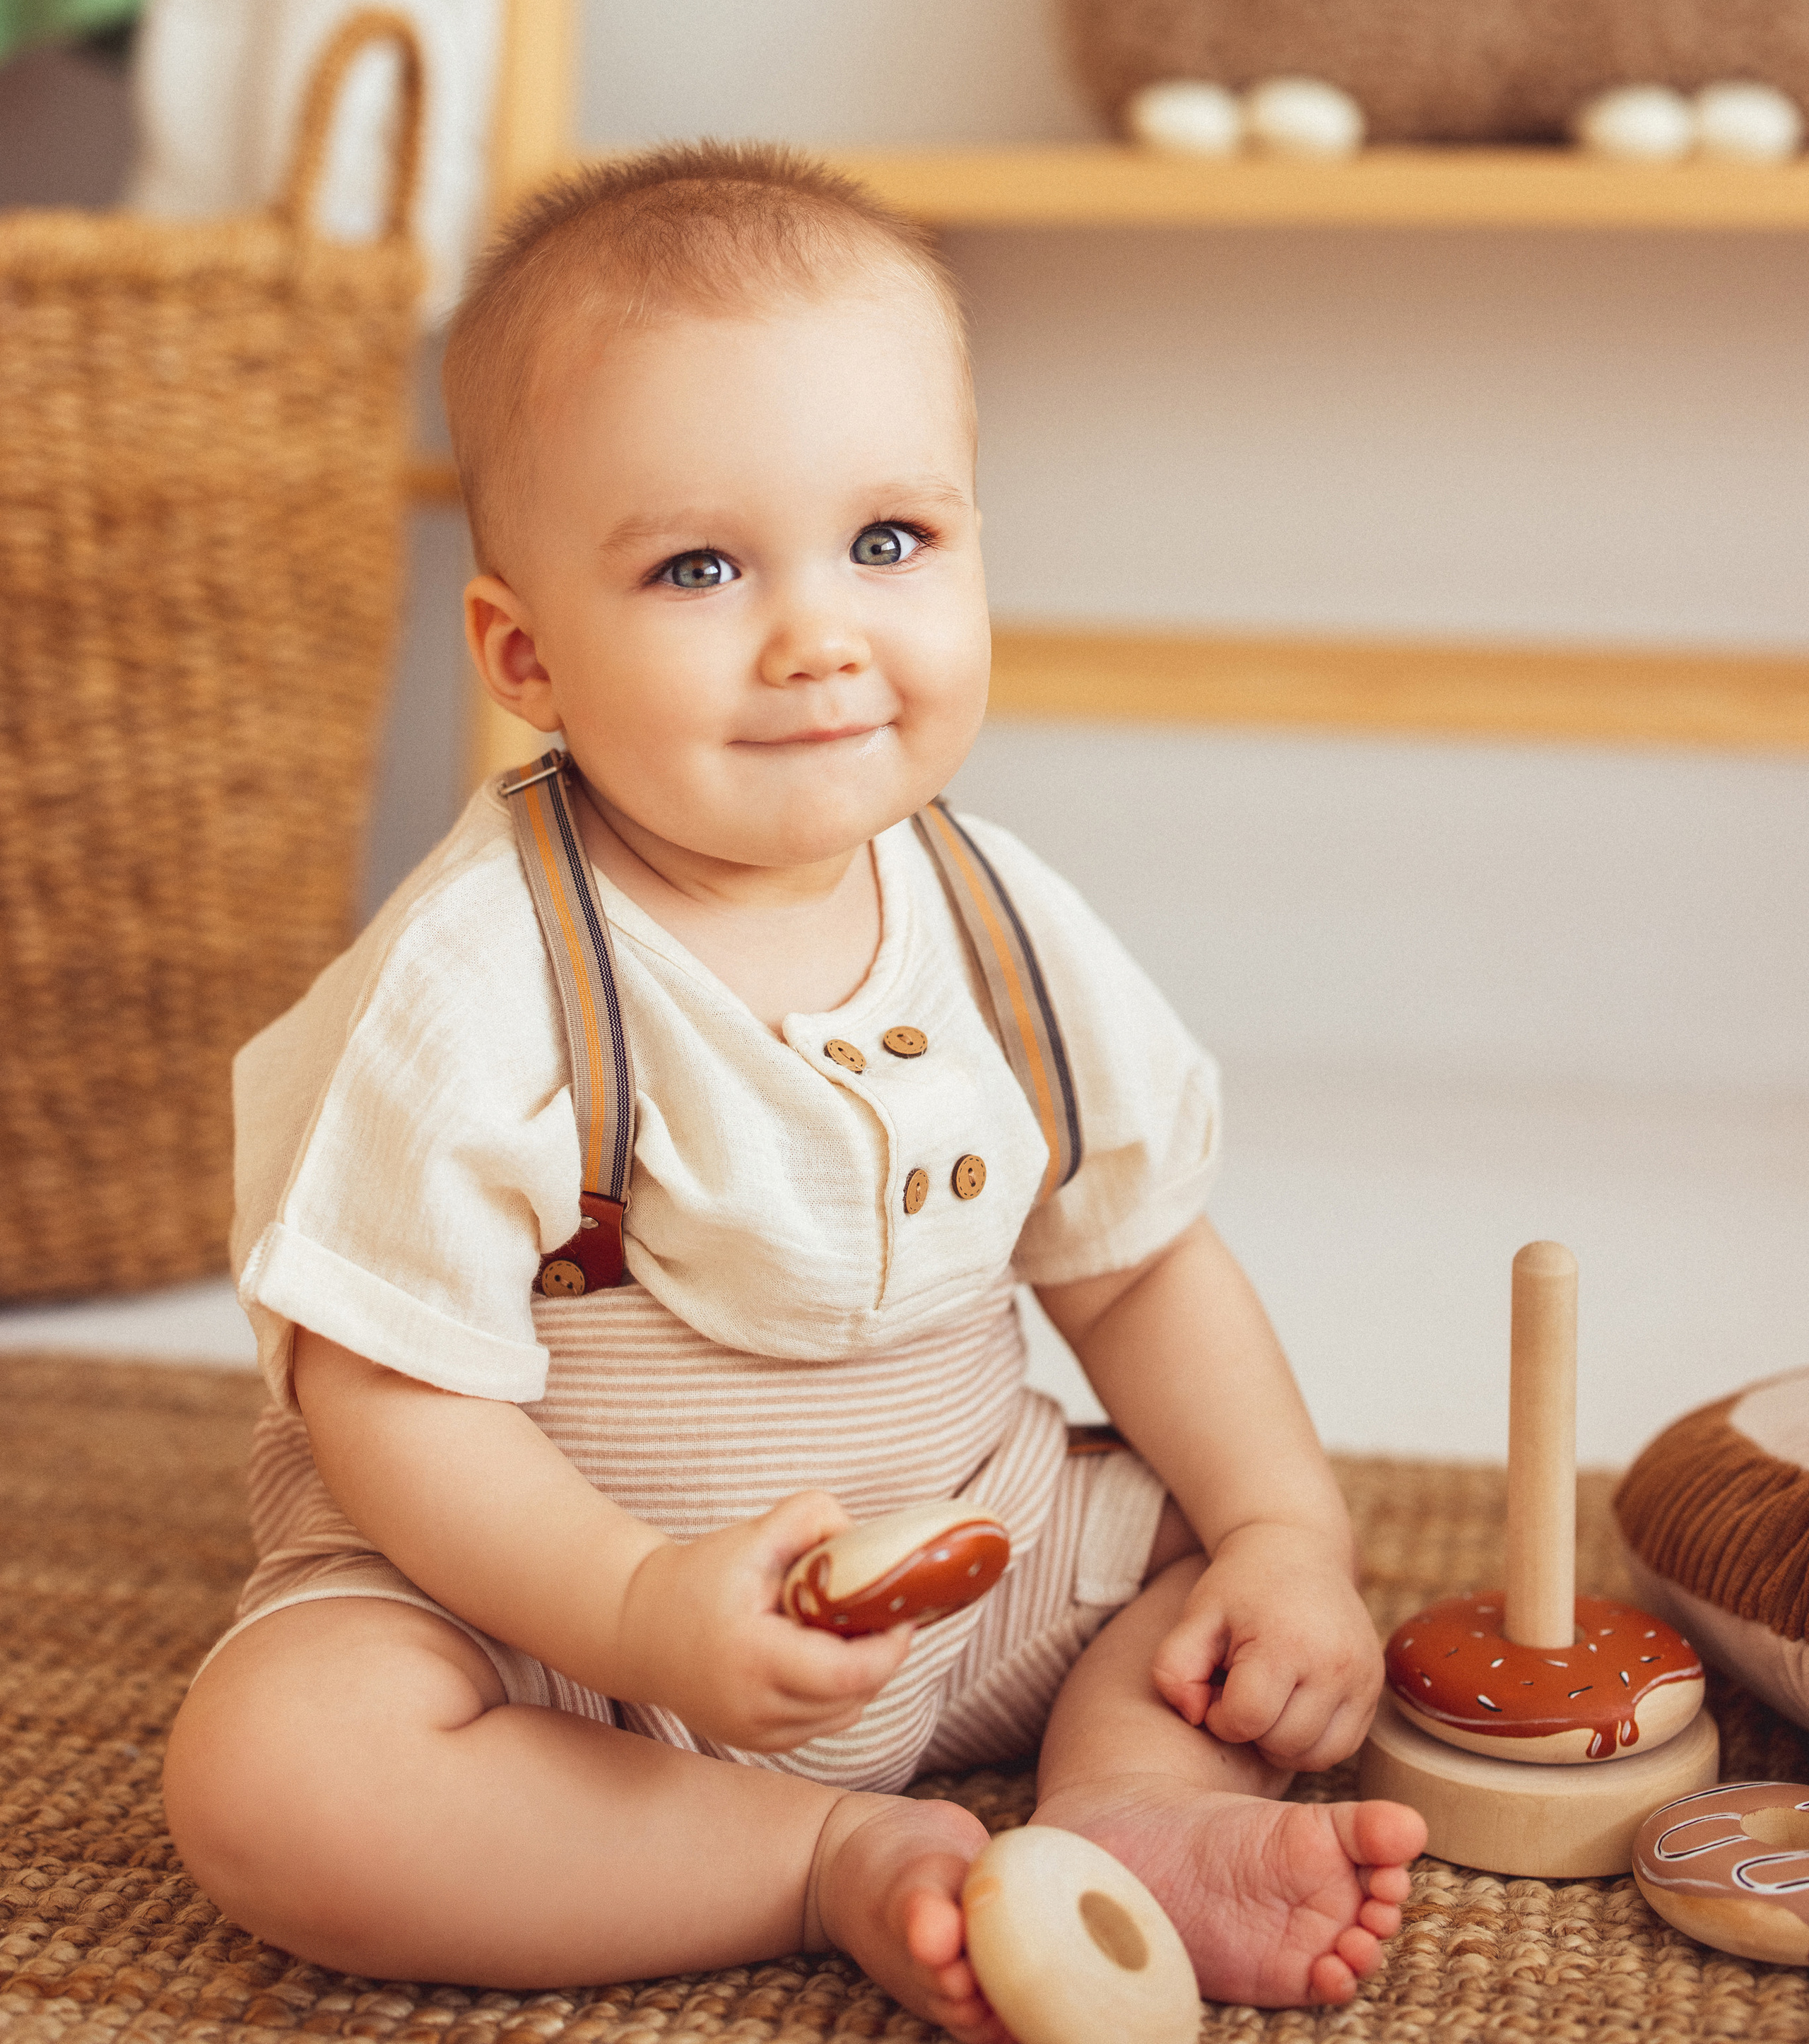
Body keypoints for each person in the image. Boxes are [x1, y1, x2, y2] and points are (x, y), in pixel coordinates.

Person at [163, 147, 1425, 2033]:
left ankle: (1125, 1817)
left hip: (961, 1567)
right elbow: (383, 1394)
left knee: (1209, 1559)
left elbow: (1138, 1267)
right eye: (699, 567)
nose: (820, 634)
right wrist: (632, 1613)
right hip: (552, 1632)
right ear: (527, 655)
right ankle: (802, 1860)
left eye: (892, 544)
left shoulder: (1002, 926)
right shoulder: (486, 974)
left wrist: (1284, 1538)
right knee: (277, 1774)